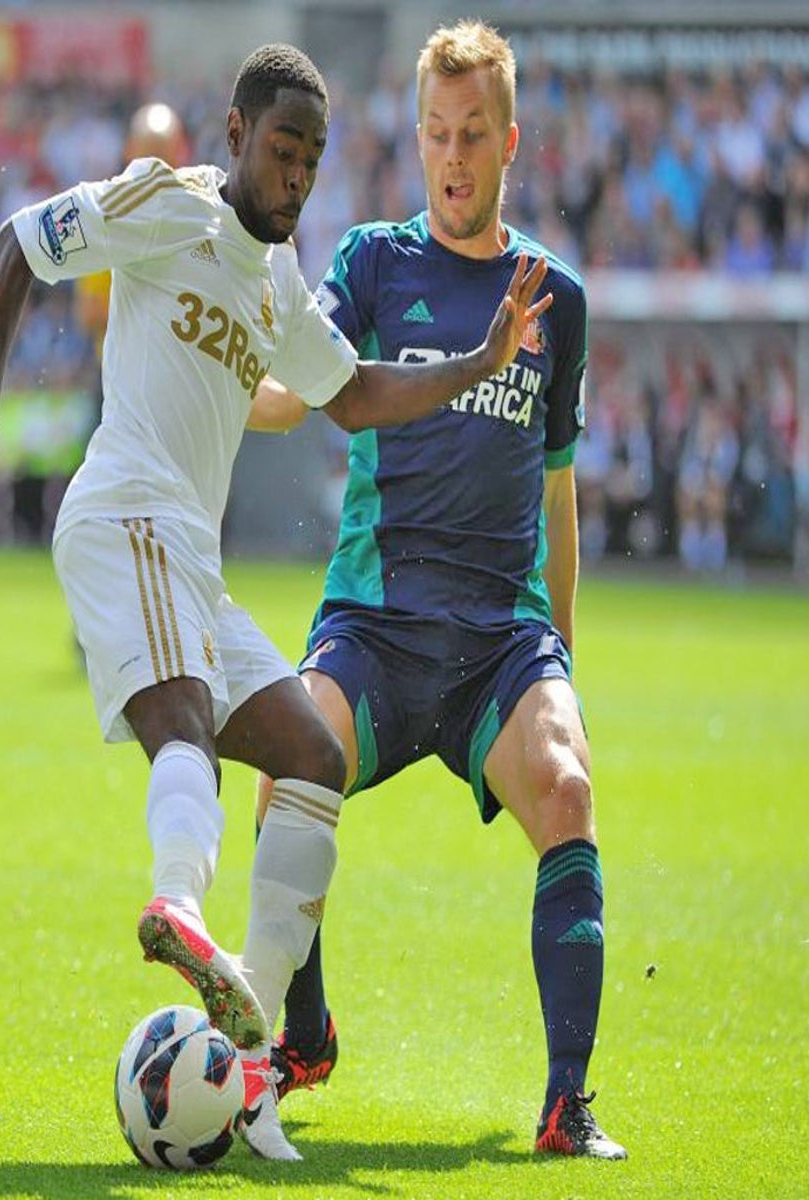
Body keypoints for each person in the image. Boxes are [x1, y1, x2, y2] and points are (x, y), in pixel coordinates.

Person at [0, 42, 550, 1162]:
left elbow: (355, 395)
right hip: (122, 515)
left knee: (311, 760)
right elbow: (17, 247)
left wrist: (476, 360)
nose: (297, 178)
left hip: (191, 561)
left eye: (313, 160)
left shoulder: (277, 281)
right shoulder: (163, 205)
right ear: (234, 137)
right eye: (281, 152)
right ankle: (177, 905)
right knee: (183, 726)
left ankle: (252, 1063)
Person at [250, 22, 626, 1159]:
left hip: (500, 646)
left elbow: (557, 489)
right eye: (436, 135)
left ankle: (568, 1107)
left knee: (565, 790)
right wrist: (220, 383)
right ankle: (304, 1035)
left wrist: (559, 656)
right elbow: (296, 390)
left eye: (474, 135)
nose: (453, 157)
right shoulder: (372, 262)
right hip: (373, 622)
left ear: (509, 143)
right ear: (418, 139)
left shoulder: (554, 295)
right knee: (283, 776)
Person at [74, 102, 191, 353]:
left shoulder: (197, 215)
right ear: (129, 151)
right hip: (116, 377)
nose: (156, 169)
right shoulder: (109, 217)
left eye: (163, 155)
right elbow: (89, 311)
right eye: (148, 155)